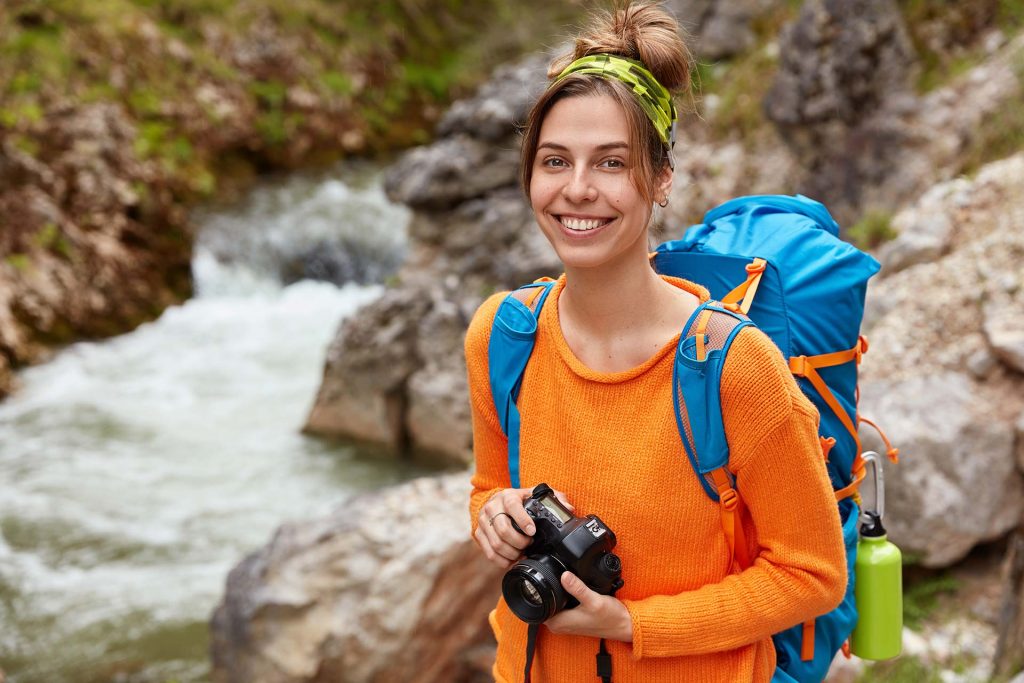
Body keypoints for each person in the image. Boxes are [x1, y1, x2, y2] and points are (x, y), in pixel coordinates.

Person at [464, 2, 847, 681]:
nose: (577, 190)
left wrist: (636, 626)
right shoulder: (504, 336)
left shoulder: (733, 367)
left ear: (661, 179)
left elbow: (813, 574)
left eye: (611, 163)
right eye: (555, 160)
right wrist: (492, 515)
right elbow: (492, 487)